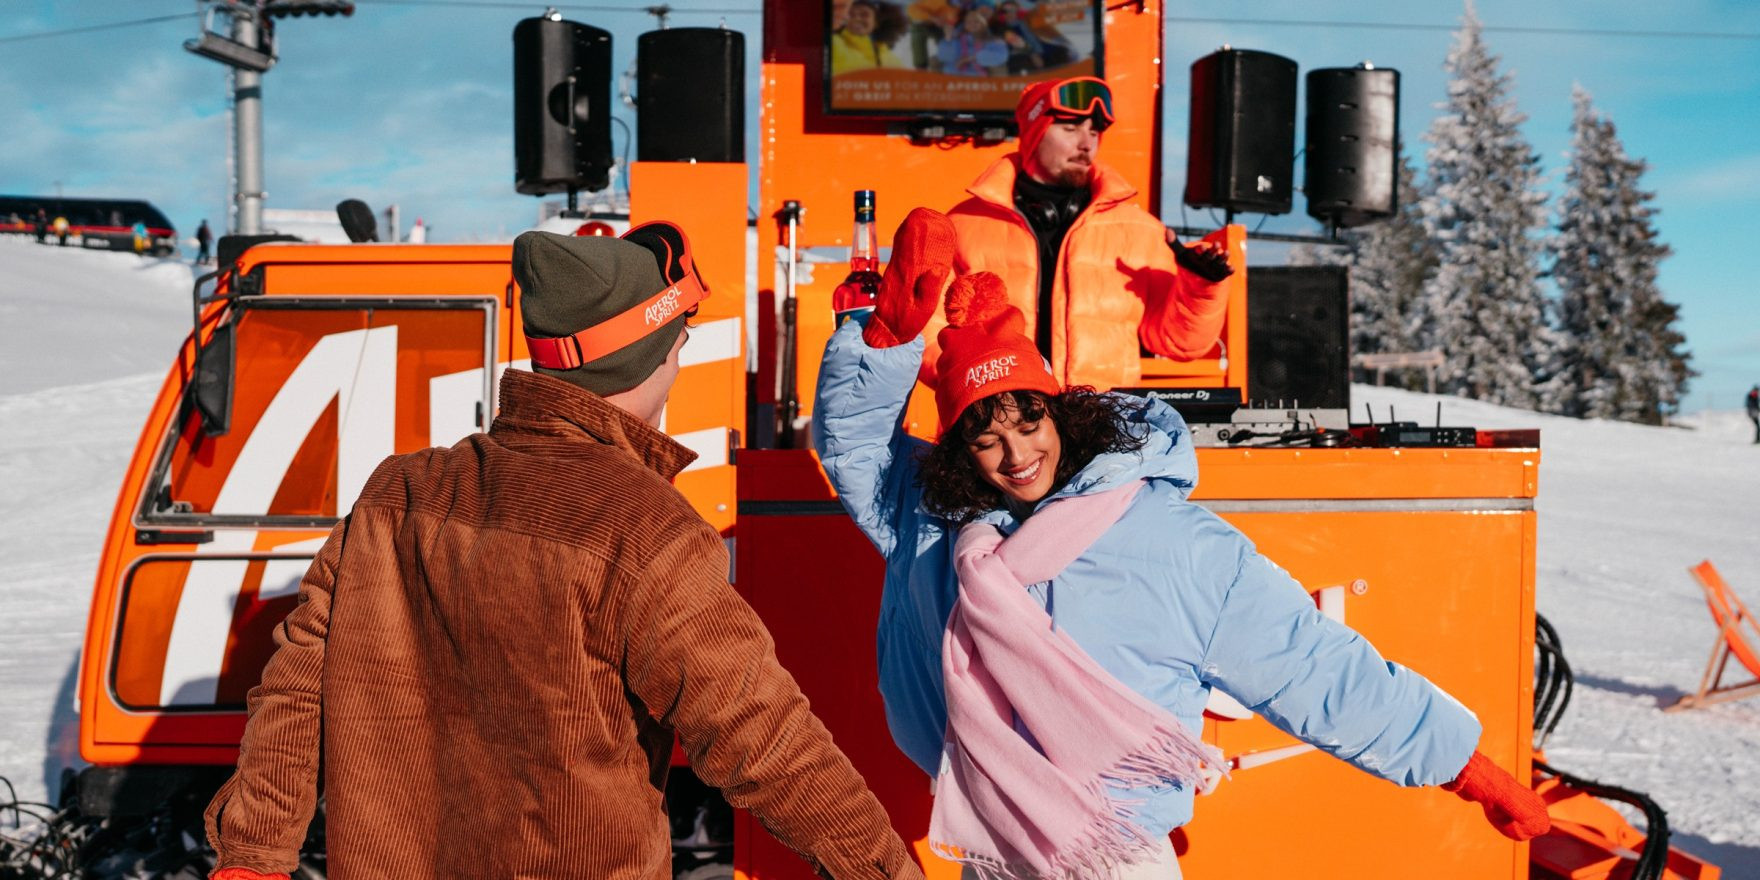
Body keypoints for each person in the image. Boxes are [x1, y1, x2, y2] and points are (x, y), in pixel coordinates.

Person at [813, 208, 1550, 879]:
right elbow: (854, 447)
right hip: (994, 855)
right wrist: (882, 344)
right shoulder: (933, 524)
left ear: (1062, 414)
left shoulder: (1171, 539)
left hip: (1114, 859)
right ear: (958, 452)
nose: (1016, 456)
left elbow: (1312, 667)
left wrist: (1461, 765)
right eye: (986, 438)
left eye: (1029, 422)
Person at [204, 224, 927, 880]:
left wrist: (254, 857)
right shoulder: (646, 530)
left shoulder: (398, 493)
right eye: (678, 345)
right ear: (644, 354)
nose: (679, 363)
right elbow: (765, 739)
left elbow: (297, 689)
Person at [927, 76, 1235, 392]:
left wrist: (1200, 287)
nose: (1086, 143)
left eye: (1094, 131)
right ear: (1034, 132)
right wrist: (981, 392)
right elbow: (926, 330)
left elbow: (1179, 343)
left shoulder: (1142, 231)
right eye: (1070, 128)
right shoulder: (962, 224)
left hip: (1103, 428)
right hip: (1001, 429)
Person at [830, 0, 909, 75]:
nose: (857, 18)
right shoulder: (834, 43)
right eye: (850, 15)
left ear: (876, 22)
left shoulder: (891, 60)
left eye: (864, 14)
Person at [935, 6, 1007, 75]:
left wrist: (970, 58)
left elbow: (1001, 56)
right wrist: (948, 38)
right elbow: (944, 57)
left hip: (976, 75)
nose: (972, 24)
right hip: (953, 74)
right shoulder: (957, 36)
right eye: (969, 22)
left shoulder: (991, 39)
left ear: (983, 24)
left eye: (976, 21)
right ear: (965, 25)